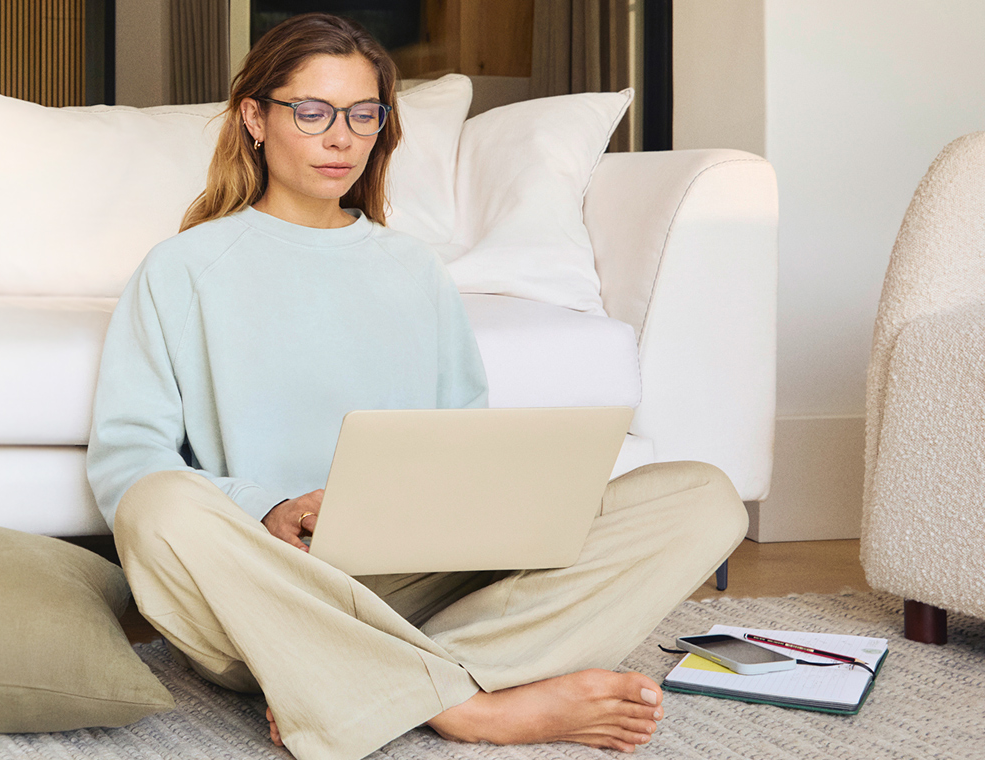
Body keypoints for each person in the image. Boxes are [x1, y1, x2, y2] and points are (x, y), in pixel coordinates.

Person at [86, 13, 748, 759]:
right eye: (312, 112)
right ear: (255, 119)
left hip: (418, 584)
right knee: (156, 507)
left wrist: (495, 505)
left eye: (362, 115)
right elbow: (128, 464)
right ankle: (473, 707)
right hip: (271, 593)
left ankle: (360, 684)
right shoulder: (181, 269)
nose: (341, 138)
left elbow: (464, 441)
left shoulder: (413, 270)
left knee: (703, 497)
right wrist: (267, 507)